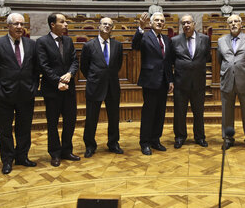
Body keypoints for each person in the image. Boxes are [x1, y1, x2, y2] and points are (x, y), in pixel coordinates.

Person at [0, 12, 39, 174]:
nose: (19, 27)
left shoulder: (31, 44)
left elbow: (35, 70)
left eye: (22, 24)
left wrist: (33, 87)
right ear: (8, 26)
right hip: (4, 96)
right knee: (5, 130)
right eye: (16, 24)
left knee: (24, 128)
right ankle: (7, 160)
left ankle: (22, 157)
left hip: (26, 95)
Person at [37, 13, 80, 167]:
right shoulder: (42, 42)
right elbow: (44, 66)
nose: (66, 24)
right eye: (62, 22)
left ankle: (66, 150)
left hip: (69, 88)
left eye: (66, 22)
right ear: (52, 24)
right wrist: (58, 81)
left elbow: (75, 61)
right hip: (52, 90)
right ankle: (55, 153)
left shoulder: (68, 41)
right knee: (53, 123)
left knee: (70, 121)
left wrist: (69, 74)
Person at [80, 17, 124, 157]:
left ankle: (113, 143)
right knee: (91, 118)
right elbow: (84, 67)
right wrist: (94, 78)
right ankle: (90, 145)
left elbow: (118, 65)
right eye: (104, 24)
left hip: (112, 86)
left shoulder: (118, 45)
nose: (107, 26)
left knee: (114, 117)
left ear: (113, 28)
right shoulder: (89, 45)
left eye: (109, 25)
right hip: (95, 86)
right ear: (99, 26)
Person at [132, 12, 174, 155]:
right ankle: (145, 142)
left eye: (162, 21)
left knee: (160, 113)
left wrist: (170, 80)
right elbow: (135, 46)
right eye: (156, 20)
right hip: (150, 80)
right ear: (151, 23)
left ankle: (156, 139)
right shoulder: (145, 36)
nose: (159, 22)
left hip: (163, 81)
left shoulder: (166, 39)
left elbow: (167, 62)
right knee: (149, 113)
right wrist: (140, 28)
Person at [218, 14, 245, 151]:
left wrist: (243, 70)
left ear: (241, 24)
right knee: (227, 114)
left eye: (236, 21)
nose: (233, 24)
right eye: (230, 22)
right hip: (227, 80)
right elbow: (220, 60)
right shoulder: (221, 41)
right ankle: (228, 139)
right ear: (227, 25)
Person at [172, 14, 211, 148]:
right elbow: (171, 61)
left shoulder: (205, 39)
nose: (186, 25)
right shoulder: (175, 40)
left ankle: (200, 137)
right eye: (183, 23)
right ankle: (180, 137)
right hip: (180, 82)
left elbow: (207, 57)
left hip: (198, 82)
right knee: (179, 113)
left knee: (198, 112)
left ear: (194, 24)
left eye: (188, 22)